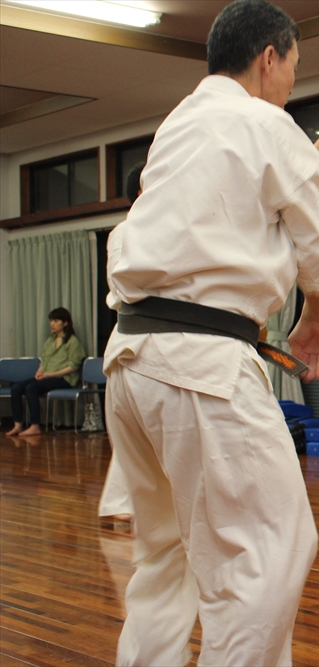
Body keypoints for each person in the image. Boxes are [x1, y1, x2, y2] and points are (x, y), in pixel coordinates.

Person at [102, 0, 319, 664]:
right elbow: (311, 237)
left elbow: (283, 176)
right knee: (272, 546)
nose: (291, 81)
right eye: (294, 66)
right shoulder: (263, 122)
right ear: (270, 57)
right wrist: (317, 316)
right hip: (199, 366)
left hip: (130, 359)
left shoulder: (181, 125)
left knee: (165, 556)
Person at [98, 162, 144, 525]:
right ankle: (123, 506)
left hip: (161, 341)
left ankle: (124, 505)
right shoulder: (125, 232)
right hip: (135, 340)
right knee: (134, 438)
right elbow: (124, 288)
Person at [5, 307, 86, 437]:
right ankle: (17, 425)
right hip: (47, 376)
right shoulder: (50, 341)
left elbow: (73, 367)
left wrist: (49, 374)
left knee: (31, 388)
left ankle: (35, 425)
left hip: (64, 379)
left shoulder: (72, 342)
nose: (52, 324)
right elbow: (44, 361)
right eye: (51, 321)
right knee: (16, 388)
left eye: (55, 321)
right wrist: (40, 372)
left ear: (65, 323)